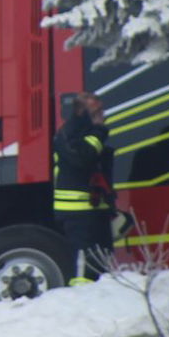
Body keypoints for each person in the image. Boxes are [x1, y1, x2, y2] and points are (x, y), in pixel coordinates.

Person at [51, 92, 116, 285]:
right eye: (97, 110)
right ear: (81, 111)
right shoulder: (69, 133)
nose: (103, 115)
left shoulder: (86, 131)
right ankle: (81, 302)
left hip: (95, 209)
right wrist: (99, 131)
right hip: (77, 211)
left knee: (101, 263)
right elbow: (83, 158)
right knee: (83, 270)